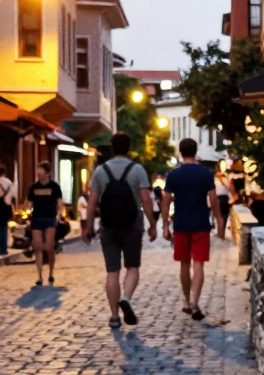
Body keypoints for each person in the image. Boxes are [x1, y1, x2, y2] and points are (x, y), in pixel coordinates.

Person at [82, 132, 157, 328]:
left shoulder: (100, 171)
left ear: (112, 148)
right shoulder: (137, 170)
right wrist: (152, 225)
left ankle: (114, 316)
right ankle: (126, 298)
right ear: (129, 148)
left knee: (112, 271)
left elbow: (92, 202)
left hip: (108, 226)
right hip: (133, 224)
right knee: (132, 266)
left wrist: (88, 226)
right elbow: (146, 200)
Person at [162, 138, 224, 321]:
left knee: (184, 264)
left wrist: (165, 225)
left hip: (181, 224)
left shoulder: (173, 175)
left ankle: (187, 301)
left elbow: (166, 201)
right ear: (195, 152)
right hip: (201, 224)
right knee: (198, 264)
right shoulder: (205, 173)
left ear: (180, 152)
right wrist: (219, 220)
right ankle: (195, 302)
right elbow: (213, 199)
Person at [26, 161, 64, 287]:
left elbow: (60, 203)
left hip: (49, 219)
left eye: (40, 172)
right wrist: (26, 212)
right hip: (36, 219)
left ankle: (51, 273)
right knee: (37, 247)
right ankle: (39, 276)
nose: (38, 175)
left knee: (49, 247)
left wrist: (59, 215)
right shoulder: (33, 187)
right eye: (37, 172)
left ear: (47, 174)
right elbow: (29, 204)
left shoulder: (54, 187)